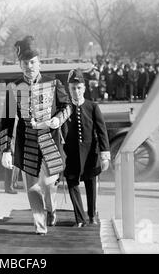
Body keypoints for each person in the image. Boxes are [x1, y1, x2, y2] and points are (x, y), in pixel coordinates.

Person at [0, 35, 71, 235]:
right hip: (26, 144)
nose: (29, 66)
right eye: (25, 63)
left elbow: (67, 107)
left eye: (32, 62)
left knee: (49, 184)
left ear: (39, 62)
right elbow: (6, 120)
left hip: (50, 141)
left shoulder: (54, 83)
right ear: (20, 64)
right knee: (31, 188)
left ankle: (51, 209)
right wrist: (6, 149)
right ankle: (40, 225)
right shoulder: (13, 88)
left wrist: (58, 119)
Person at [61, 69, 110, 227]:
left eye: (79, 87)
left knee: (91, 185)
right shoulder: (65, 109)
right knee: (72, 184)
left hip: (90, 154)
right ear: (69, 89)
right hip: (72, 154)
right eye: (73, 88)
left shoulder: (92, 107)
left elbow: (102, 131)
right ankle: (80, 219)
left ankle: (91, 216)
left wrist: (105, 155)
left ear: (84, 88)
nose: (76, 91)